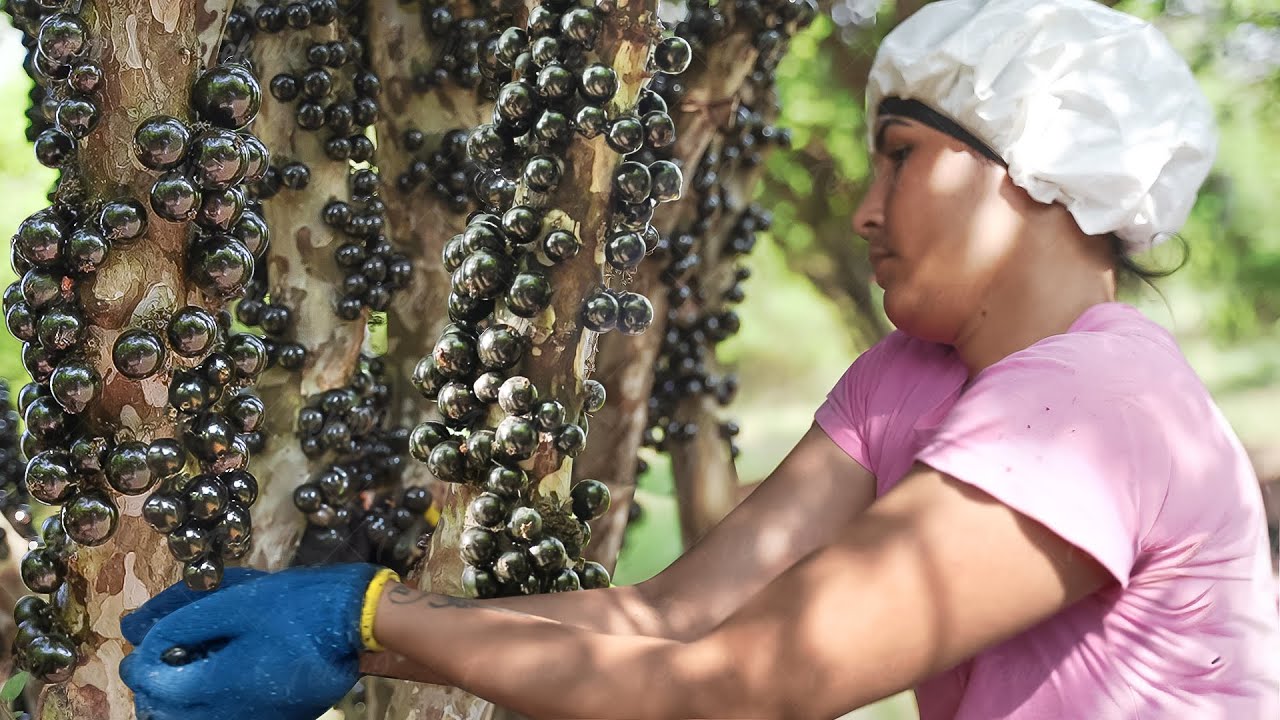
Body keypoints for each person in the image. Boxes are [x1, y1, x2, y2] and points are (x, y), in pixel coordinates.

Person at [119, 0, 1280, 718]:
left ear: (1037, 168)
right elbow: (672, 619)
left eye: (901, 159)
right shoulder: (907, 380)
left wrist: (365, 621)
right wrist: (346, 627)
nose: (865, 211)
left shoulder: (1093, 412)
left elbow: (746, 689)